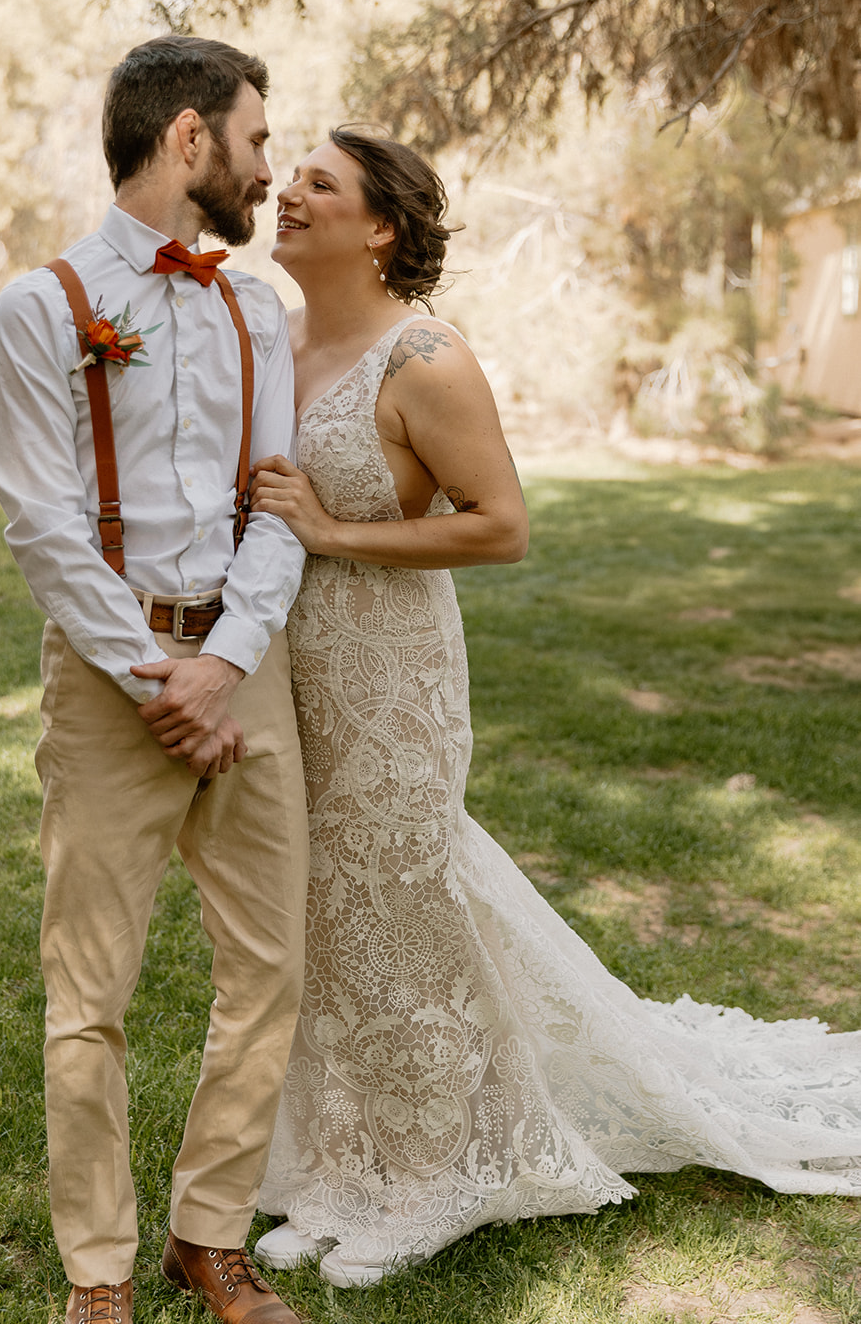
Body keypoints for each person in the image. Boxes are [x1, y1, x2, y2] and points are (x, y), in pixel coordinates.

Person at [246, 127, 861, 1289]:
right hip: (285, 664)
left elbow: (500, 523)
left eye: (317, 183)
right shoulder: (269, 341)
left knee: (403, 900)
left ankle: (433, 1176)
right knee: (319, 912)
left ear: (379, 227)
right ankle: (333, 1166)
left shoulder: (422, 355)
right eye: (289, 178)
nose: (287, 192)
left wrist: (332, 532)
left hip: (387, 668)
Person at [0, 35, 310, 1324]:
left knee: (269, 964)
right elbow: (44, 525)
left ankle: (208, 1234)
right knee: (91, 991)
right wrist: (151, 675)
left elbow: (279, 505)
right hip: (110, 682)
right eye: (256, 139)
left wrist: (222, 664)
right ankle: (98, 1271)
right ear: (189, 139)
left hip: (244, 665)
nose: (266, 168)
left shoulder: (258, 310)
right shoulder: (41, 307)